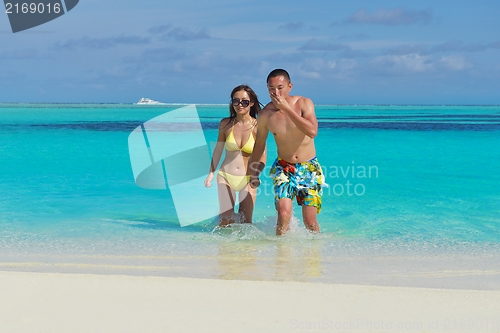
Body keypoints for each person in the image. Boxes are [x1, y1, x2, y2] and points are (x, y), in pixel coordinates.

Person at [249, 69, 325, 235]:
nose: (276, 93)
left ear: (290, 86)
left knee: (310, 222)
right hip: (284, 167)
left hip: (309, 167)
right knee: (283, 214)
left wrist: (287, 109)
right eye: (271, 89)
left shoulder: (305, 103)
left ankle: (314, 256)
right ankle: (281, 256)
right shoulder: (265, 115)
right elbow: (260, 143)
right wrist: (252, 172)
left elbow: (312, 131)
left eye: (280, 88)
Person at [204, 85, 265, 226]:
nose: (239, 105)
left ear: (251, 103)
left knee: (246, 222)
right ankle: (224, 248)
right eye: (236, 101)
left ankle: (245, 249)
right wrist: (211, 173)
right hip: (226, 176)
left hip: (248, 178)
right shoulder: (225, 124)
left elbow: (262, 156)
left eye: (244, 101)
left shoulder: (258, 126)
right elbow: (218, 150)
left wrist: (256, 175)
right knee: (225, 220)